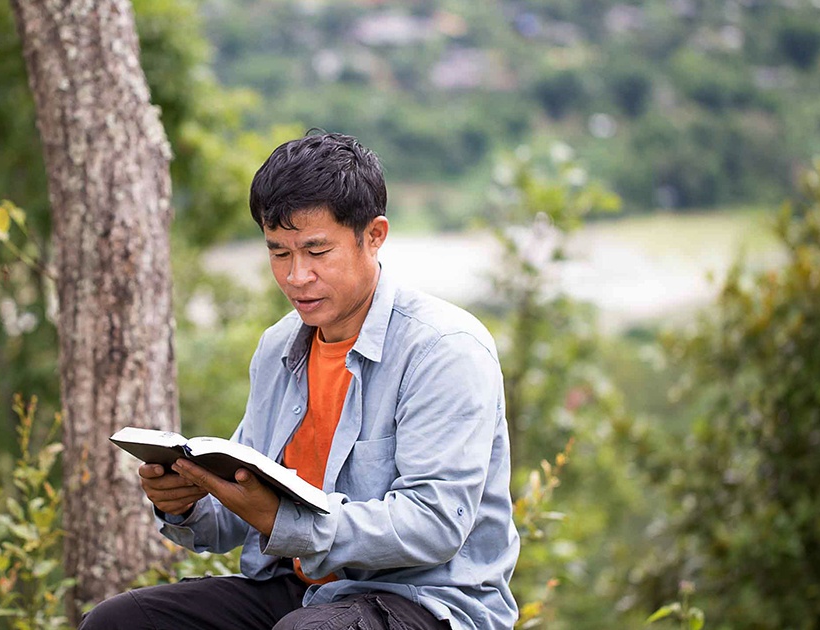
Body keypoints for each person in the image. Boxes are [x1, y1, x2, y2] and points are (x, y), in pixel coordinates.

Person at [80, 132, 519, 630]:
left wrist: (281, 521)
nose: (296, 276)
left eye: (316, 251)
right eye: (279, 253)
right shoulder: (280, 346)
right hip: (304, 591)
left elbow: (436, 525)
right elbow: (245, 507)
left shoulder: (444, 348)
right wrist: (188, 502)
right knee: (119, 622)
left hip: (427, 603)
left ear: (374, 235)